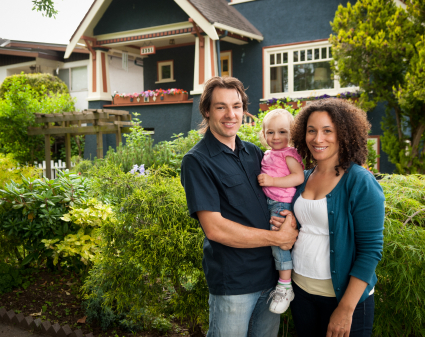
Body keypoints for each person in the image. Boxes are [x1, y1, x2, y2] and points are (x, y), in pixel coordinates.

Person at [180, 76, 298, 337]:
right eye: (221, 107)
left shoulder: (255, 153)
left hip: (272, 280)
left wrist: (290, 217)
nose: (230, 114)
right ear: (207, 111)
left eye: (236, 106)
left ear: (244, 111)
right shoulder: (197, 162)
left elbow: (281, 193)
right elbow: (216, 229)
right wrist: (279, 237)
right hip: (235, 283)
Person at [280, 98, 385, 337]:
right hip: (302, 292)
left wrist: (346, 309)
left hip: (343, 299)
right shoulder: (303, 177)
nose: (318, 139)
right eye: (311, 131)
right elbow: (303, 224)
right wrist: (286, 222)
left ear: (344, 134)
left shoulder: (359, 181)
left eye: (328, 131)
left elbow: (370, 250)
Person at [256, 109, 304, 314]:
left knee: (279, 243)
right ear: (264, 133)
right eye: (270, 132)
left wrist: (273, 181)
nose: (276, 137)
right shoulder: (268, 153)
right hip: (270, 202)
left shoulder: (289, 154)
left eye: (282, 132)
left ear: (292, 134)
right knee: (271, 243)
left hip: (281, 204)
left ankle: (285, 285)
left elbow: (298, 177)